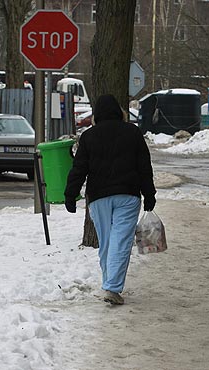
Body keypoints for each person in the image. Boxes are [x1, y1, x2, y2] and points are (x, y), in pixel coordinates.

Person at [64, 94, 156, 305]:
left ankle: (110, 285)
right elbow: (144, 167)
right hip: (128, 195)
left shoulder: (88, 136)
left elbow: (79, 169)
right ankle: (112, 288)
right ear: (120, 113)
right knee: (120, 241)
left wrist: (71, 195)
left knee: (106, 242)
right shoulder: (133, 133)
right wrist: (149, 194)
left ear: (96, 115)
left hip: (99, 198)